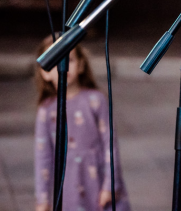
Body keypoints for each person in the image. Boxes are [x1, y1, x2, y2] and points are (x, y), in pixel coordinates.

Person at [34, 38, 129, 211]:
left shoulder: (96, 101)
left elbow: (110, 144)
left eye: (69, 60)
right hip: (67, 184)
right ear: (45, 71)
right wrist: (43, 199)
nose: (64, 67)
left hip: (97, 181)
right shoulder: (46, 110)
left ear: (81, 65)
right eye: (55, 62)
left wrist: (110, 184)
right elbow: (43, 157)